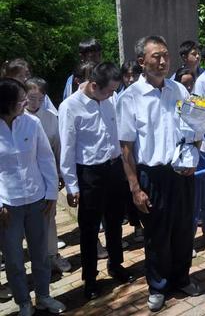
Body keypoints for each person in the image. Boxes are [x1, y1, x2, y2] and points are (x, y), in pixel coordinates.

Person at [117, 36, 201, 312]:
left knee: (184, 230)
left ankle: (181, 277)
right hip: (151, 176)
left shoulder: (178, 90)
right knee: (156, 236)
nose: (163, 61)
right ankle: (158, 285)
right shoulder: (130, 98)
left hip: (181, 173)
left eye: (165, 55)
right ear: (142, 61)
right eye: (156, 56)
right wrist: (134, 188)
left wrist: (193, 156)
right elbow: (126, 147)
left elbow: (192, 128)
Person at [58, 62, 134, 300]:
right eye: (108, 91)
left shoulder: (109, 99)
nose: (113, 95)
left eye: (114, 90)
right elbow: (67, 148)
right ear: (92, 85)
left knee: (114, 223)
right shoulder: (70, 106)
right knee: (89, 229)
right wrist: (72, 185)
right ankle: (90, 278)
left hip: (113, 168)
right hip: (89, 173)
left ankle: (116, 264)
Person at [0, 78, 66, 316]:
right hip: (8, 206)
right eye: (20, 100)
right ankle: (24, 303)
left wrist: (50, 194)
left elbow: (45, 159)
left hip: (37, 200)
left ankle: (44, 297)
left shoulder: (32, 123)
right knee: (15, 259)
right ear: (6, 103)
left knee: (40, 254)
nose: (26, 102)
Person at [23, 78, 72, 274]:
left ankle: (53, 255)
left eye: (40, 99)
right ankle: (36, 260)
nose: (35, 103)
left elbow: (59, 146)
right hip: (24, 179)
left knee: (49, 218)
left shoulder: (51, 117)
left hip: (46, 176)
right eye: (31, 98)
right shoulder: (15, 118)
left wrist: (60, 173)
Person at [117, 61, 144, 243]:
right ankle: (136, 226)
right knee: (131, 191)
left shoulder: (143, 94)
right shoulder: (120, 98)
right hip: (127, 153)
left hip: (143, 156)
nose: (131, 78)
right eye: (127, 75)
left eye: (134, 74)